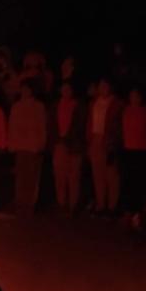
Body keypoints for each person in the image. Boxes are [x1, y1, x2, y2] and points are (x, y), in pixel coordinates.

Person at [8, 81, 48, 215]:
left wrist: (41, 143)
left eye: (27, 89)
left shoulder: (38, 107)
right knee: (21, 177)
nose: (25, 92)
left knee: (32, 177)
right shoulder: (16, 106)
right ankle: (20, 203)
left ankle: (29, 205)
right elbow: (12, 126)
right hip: (20, 146)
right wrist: (12, 144)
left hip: (33, 146)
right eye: (23, 89)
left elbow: (42, 126)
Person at [50, 82, 86, 215]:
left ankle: (73, 205)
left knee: (74, 176)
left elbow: (81, 125)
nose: (66, 92)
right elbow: (51, 124)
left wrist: (69, 135)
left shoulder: (78, 106)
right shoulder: (55, 105)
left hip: (74, 144)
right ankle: (61, 203)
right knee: (60, 175)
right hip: (59, 144)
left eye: (68, 89)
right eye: (63, 89)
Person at [87, 77, 122, 215]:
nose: (103, 89)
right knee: (98, 174)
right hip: (95, 138)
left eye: (105, 86)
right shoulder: (94, 103)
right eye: (101, 86)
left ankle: (112, 206)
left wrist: (113, 141)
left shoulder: (116, 104)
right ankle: (101, 204)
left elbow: (118, 125)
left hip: (108, 141)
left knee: (111, 175)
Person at [120, 87, 146, 212]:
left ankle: (139, 207)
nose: (134, 98)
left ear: (141, 98)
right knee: (129, 179)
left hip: (142, 150)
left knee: (140, 179)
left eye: (137, 96)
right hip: (128, 149)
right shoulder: (125, 111)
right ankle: (129, 208)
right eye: (132, 96)